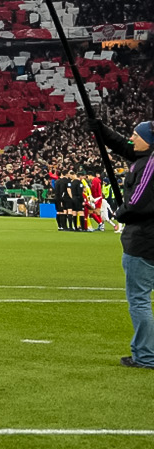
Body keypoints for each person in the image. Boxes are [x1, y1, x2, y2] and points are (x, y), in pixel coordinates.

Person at [89, 118, 154, 368]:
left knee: (139, 300)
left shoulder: (149, 164)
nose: (132, 139)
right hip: (147, 239)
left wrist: (121, 212)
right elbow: (125, 147)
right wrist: (103, 131)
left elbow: (137, 202)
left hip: (144, 241)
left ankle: (145, 356)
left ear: (149, 140)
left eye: (137, 135)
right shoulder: (145, 155)